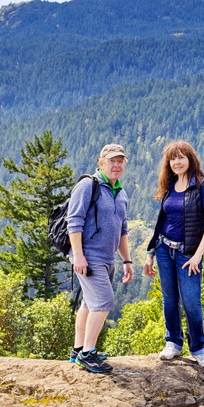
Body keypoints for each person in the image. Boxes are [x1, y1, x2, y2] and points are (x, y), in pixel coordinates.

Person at [143, 140, 204, 369]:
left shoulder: (202, 185)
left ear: (190, 159)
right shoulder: (169, 186)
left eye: (181, 157)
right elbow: (162, 221)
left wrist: (198, 256)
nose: (177, 162)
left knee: (191, 302)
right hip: (165, 250)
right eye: (172, 158)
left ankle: (199, 349)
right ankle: (173, 343)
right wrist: (150, 251)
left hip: (189, 254)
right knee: (169, 299)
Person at [67, 143, 134, 373]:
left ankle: (78, 350)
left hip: (108, 258)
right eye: (111, 160)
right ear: (101, 162)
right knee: (104, 302)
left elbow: (122, 229)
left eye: (120, 161)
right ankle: (88, 353)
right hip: (88, 256)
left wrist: (127, 260)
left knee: (89, 303)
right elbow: (74, 222)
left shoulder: (120, 192)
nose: (116, 165)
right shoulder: (88, 185)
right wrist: (78, 255)